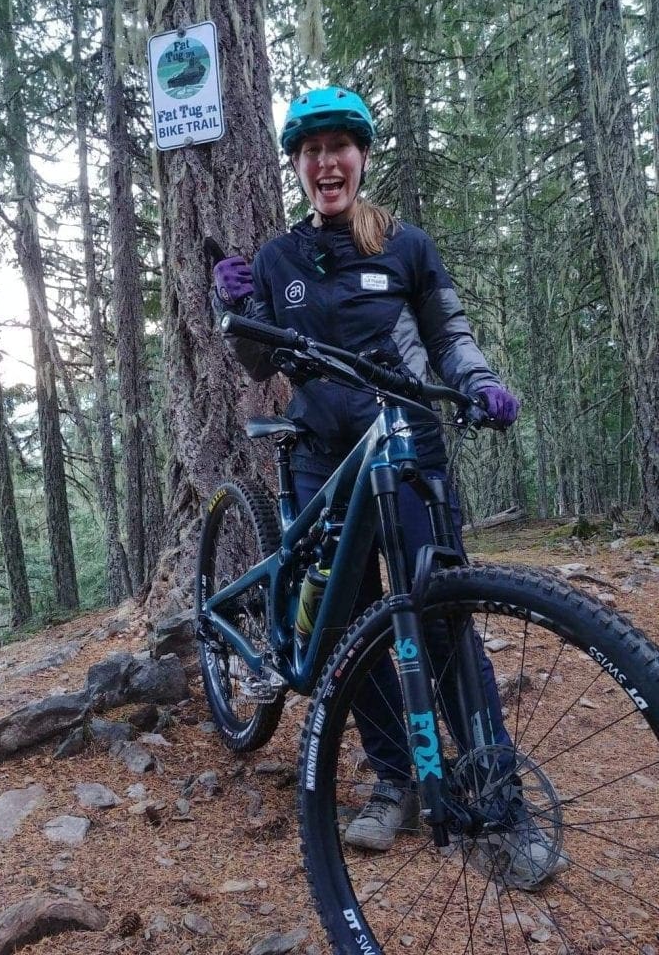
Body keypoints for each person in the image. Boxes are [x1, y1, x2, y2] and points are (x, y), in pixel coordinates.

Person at [212, 86, 559, 886]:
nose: (325, 162)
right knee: (345, 623)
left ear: (361, 159)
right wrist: (233, 307)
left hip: (406, 448)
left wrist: (478, 382)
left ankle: (495, 796)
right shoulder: (278, 257)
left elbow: (447, 333)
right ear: (298, 166)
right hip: (317, 454)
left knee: (439, 615)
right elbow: (261, 361)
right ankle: (392, 779)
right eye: (310, 151)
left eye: (339, 147)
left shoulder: (404, 245)